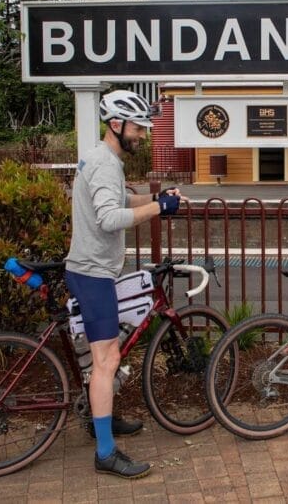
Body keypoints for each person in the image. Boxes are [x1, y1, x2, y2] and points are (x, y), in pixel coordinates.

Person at [65, 89, 186, 479]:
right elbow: (106, 219)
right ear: (116, 125)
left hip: (95, 270)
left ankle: (104, 417)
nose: (144, 135)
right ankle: (104, 451)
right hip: (93, 273)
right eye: (138, 128)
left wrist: (156, 197)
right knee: (107, 361)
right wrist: (158, 209)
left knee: (105, 356)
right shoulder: (103, 163)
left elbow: (119, 202)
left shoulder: (105, 160)